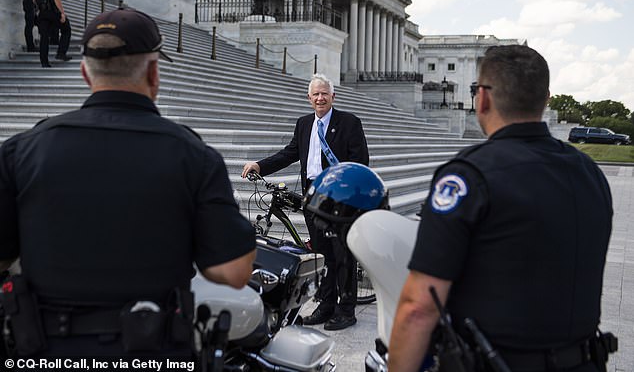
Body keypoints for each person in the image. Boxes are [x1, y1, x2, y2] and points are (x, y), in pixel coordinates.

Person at [0, 7, 256, 358]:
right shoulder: (193, 155)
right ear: (154, 73)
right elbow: (234, 270)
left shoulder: (22, 151)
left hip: (45, 351)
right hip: (155, 351)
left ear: (85, 74)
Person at [388, 45, 614, 372]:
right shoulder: (590, 172)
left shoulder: (468, 178)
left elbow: (419, 306)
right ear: (545, 99)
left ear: (483, 98)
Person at [241, 74, 369, 331]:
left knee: (342, 254)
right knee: (322, 252)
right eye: (315, 94)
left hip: (339, 195)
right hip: (314, 194)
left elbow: (360, 161)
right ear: (309, 98)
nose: (320, 98)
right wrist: (260, 165)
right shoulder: (303, 124)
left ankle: (346, 310)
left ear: (333, 96)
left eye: (324, 93)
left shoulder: (349, 123)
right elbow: (289, 154)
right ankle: (326, 304)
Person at [32, 0, 72, 68]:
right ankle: (61, 53)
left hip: (42, 12)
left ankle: (44, 62)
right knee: (66, 29)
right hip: (52, 12)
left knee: (44, 37)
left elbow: (34, 0)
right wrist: (62, 12)